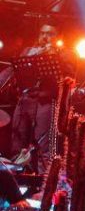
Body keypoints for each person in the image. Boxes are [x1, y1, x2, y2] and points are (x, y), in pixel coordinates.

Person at [9, 24, 66, 171]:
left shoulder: (62, 54)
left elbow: (68, 74)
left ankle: (44, 182)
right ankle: (18, 179)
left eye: (50, 34)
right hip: (25, 100)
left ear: (57, 37)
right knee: (18, 139)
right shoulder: (27, 51)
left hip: (45, 102)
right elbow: (14, 71)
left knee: (43, 142)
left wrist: (53, 54)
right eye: (42, 33)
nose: (45, 37)